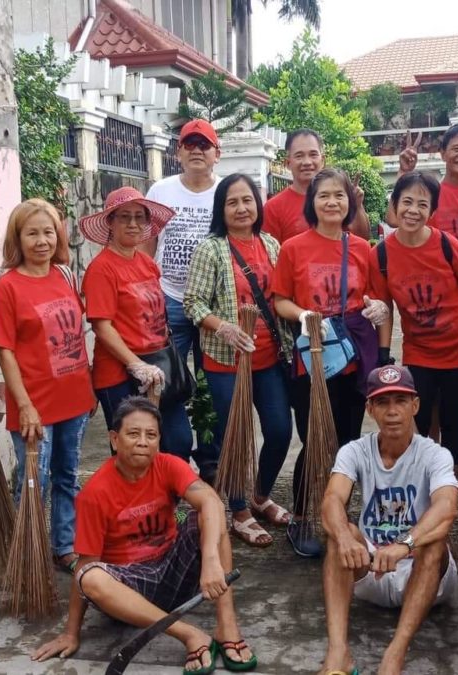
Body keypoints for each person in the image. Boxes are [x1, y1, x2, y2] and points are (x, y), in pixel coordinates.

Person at [31, 397, 257, 674]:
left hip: (174, 571)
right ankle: (189, 634)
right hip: (131, 588)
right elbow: (85, 564)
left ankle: (227, 625)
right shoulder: (95, 493)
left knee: (210, 515)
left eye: (151, 435)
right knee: (89, 576)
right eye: (133, 434)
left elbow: (211, 502)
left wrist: (210, 560)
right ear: (115, 439)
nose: (142, 442)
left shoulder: (168, 464)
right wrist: (71, 632)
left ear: (159, 441)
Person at [273, 167, 387, 557]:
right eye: (324, 195)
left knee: (349, 441)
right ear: (312, 202)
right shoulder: (293, 248)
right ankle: (302, 517)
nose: (332, 202)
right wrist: (304, 315)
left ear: (349, 202)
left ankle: (338, 513)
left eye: (339, 195)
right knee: (315, 439)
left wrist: (375, 307)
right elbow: (279, 299)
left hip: (353, 356)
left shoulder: (360, 248)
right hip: (314, 361)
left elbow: (373, 295)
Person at [320, 365, 458, 675]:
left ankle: (395, 655)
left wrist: (403, 545)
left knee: (434, 540)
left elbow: (447, 507)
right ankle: (338, 652)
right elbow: (331, 500)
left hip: (424, 574)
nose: (393, 411)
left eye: (401, 400)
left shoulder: (435, 454)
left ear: (415, 405)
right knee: (339, 533)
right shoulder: (354, 450)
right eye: (383, 402)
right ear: (370, 409)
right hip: (373, 568)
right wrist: (344, 538)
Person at [184, 174, 294, 547]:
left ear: (257, 205)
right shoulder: (211, 249)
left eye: (247, 200)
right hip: (225, 363)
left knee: (280, 431)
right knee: (235, 439)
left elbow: (282, 295)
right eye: (232, 202)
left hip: (268, 359)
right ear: (222, 209)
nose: (241, 208)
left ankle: (260, 497)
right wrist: (223, 327)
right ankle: (238, 510)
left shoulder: (271, 245)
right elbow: (193, 302)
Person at [0, 199, 96, 574]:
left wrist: (90, 386)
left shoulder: (64, 275)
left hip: (75, 398)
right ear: (18, 238)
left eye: (48, 232)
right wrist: (25, 404)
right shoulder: (8, 287)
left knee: (67, 475)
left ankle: (63, 545)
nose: (41, 241)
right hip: (34, 403)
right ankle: (28, 549)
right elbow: (5, 351)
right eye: (31, 233)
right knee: (35, 479)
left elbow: (76, 336)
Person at [369, 171, 458, 472]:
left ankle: (452, 482)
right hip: (420, 350)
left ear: (432, 212)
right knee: (418, 418)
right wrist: (383, 354)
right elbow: (385, 307)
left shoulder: (448, 245)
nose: (413, 210)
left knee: (455, 420)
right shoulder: (380, 255)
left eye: (423, 204)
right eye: (406, 202)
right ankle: (427, 475)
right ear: (393, 205)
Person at [81, 187, 194, 461]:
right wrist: (135, 364)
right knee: (131, 453)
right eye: (124, 217)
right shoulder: (102, 269)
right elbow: (102, 326)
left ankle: (164, 503)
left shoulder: (146, 262)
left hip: (158, 368)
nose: (132, 224)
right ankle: (133, 504)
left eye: (138, 217)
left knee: (178, 442)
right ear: (110, 222)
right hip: (119, 375)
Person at [141, 119, 220, 481]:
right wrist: (145, 293)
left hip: (213, 306)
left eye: (204, 145)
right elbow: (146, 246)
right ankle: (174, 453)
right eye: (189, 144)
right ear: (178, 152)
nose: (197, 150)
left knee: (211, 383)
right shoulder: (161, 190)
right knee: (170, 381)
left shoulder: (225, 192)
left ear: (216, 154)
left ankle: (210, 459)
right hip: (169, 300)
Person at [264, 128, 370, 242]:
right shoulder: (273, 208)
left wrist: (357, 206)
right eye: (299, 156)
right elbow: (270, 253)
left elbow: (362, 239)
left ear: (323, 160)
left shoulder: (340, 199)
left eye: (313, 154)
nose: (307, 162)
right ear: (288, 163)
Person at [395, 122, 458, 247]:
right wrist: (403, 173)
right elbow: (394, 219)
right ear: (443, 154)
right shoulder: (428, 194)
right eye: (456, 149)